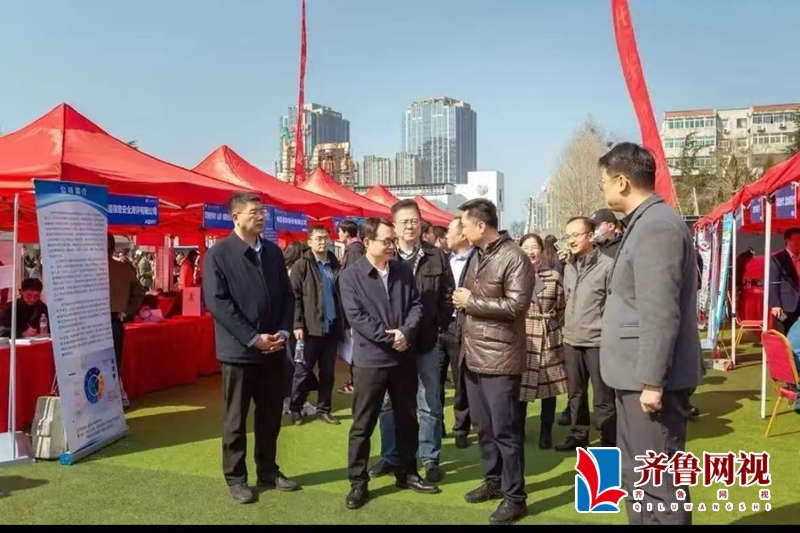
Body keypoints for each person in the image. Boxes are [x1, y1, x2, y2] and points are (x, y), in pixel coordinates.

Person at [598, 142, 704, 525]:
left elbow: (660, 311)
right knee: (639, 477)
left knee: (660, 483)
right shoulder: (645, 222)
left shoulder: (657, 225)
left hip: (650, 381)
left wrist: (652, 381)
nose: (603, 190)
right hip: (634, 377)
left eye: (604, 182)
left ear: (622, 182)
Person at [203, 192, 299, 504]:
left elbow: (287, 296)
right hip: (239, 353)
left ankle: (268, 470)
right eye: (254, 212)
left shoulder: (272, 252)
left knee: (270, 416)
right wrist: (252, 338)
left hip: (274, 348)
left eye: (263, 212)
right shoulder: (218, 254)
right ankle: (236, 478)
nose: (261, 217)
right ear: (236, 217)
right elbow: (218, 303)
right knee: (236, 418)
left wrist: (283, 331)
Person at [339, 217, 439, 510]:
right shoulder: (350, 276)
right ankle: (358, 482)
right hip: (370, 360)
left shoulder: (403, 270)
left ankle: (407, 472)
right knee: (363, 423)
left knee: (407, 418)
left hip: (403, 357)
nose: (392, 246)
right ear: (367, 242)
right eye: (386, 241)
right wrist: (389, 337)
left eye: (393, 241)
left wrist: (406, 332)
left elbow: (417, 305)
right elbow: (356, 317)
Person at [453, 199, 533, 525]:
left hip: (500, 357)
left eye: (465, 224)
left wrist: (471, 301)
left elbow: (516, 306)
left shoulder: (514, 257)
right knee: (484, 427)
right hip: (473, 355)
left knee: (505, 431)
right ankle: (493, 480)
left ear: (481, 225)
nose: (462, 230)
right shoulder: (478, 254)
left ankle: (515, 497)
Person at [370, 199, 454, 483]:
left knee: (429, 402)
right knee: (388, 403)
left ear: (421, 223)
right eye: (404, 221)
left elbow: (448, 294)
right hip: (391, 344)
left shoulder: (436, 255)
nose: (410, 226)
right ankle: (390, 456)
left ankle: (430, 457)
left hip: (427, 342)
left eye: (414, 220)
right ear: (393, 226)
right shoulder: (385, 254)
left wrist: (438, 324)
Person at [555, 216, 616, 452]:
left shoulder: (608, 266)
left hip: (598, 343)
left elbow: (615, 305)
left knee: (603, 396)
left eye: (575, 235)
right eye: (567, 236)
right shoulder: (569, 266)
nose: (570, 240)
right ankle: (579, 434)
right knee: (576, 394)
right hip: (571, 341)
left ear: (590, 236)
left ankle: (608, 440)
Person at [517, 233, 568, 450]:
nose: (531, 251)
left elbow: (562, 308)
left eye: (535, 247)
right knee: (520, 387)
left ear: (541, 250)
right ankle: (518, 430)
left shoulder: (554, 276)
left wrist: (555, 328)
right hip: (523, 336)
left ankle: (546, 432)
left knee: (550, 388)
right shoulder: (514, 275)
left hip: (548, 336)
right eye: (526, 247)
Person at [289, 225, 342, 426]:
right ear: (309, 241)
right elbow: (293, 297)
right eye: (318, 238)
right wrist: (297, 323)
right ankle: (296, 408)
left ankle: (324, 409)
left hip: (331, 328)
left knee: (328, 373)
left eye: (326, 238)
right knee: (302, 372)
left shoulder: (335, 263)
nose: (323, 242)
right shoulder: (301, 265)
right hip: (309, 330)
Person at [437, 217, 476, 449]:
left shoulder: (478, 260)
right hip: (439, 326)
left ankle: (461, 428)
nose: (446, 235)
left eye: (449, 231)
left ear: (462, 235)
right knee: (434, 380)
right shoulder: (442, 259)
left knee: (461, 380)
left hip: (463, 326)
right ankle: (436, 425)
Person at [108, 233, 146, 410]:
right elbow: (139, 292)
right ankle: (116, 398)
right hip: (115, 319)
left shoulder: (88, 268)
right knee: (113, 361)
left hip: (102, 320)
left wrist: (127, 311)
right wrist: (127, 311)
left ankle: (113, 398)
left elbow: (139, 291)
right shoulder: (123, 269)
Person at [337, 218, 365, 395]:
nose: (338, 235)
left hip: (353, 310)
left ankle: (357, 382)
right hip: (350, 309)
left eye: (339, 231)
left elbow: (355, 280)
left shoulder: (355, 250)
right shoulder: (352, 249)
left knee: (354, 348)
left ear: (346, 233)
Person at [769, 228, 800, 334]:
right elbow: (773, 283)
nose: (799, 242)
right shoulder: (777, 259)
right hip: (785, 307)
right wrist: (775, 305)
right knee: (784, 332)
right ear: (787, 241)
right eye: (797, 239)